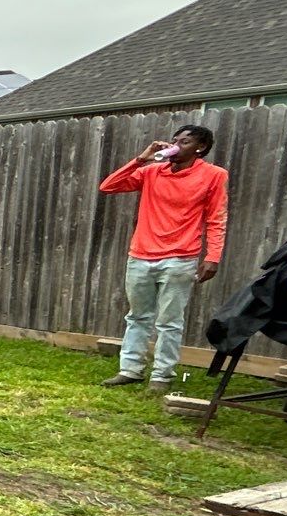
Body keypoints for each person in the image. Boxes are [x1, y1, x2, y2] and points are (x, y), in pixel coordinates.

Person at [96, 124, 229, 393]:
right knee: (137, 317)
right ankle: (130, 370)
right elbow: (108, 187)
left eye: (186, 142)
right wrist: (141, 159)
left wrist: (213, 256)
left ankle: (162, 375)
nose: (177, 145)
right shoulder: (152, 171)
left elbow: (216, 218)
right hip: (141, 255)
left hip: (180, 258)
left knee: (169, 321)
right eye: (175, 140)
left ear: (200, 148)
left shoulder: (213, 175)